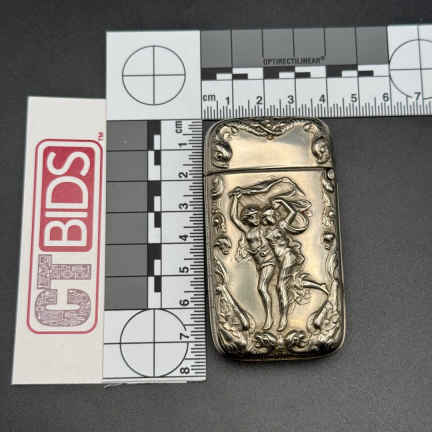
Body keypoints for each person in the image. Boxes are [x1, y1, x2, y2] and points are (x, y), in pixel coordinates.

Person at [230, 192, 276, 330]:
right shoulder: (247, 231)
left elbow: (275, 238)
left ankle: (269, 317)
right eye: (251, 217)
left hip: (269, 260)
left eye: (256, 216)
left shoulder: (264, 228)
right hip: (259, 264)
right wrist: (235, 199)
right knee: (262, 288)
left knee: (262, 287)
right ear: (247, 220)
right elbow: (233, 218)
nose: (255, 218)